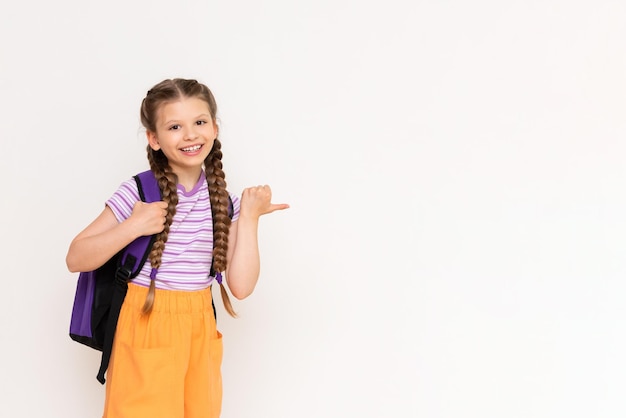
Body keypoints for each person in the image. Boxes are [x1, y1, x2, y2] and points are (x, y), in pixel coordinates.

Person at [66, 78, 289, 418]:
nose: (190, 135)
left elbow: (241, 287)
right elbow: (76, 257)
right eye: (174, 126)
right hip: (146, 320)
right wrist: (134, 227)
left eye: (199, 122)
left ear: (214, 128)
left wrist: (250, 218)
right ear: (153, 139)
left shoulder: (223, 204)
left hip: (199, 324)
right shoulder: (138, 192)